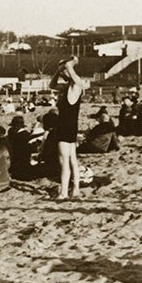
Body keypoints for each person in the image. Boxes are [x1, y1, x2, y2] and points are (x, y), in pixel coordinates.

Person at [50, 56, 85, 199]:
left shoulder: (76, 85)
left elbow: (72, 71)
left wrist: (71, 63)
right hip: (71, 126)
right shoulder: (68, 87)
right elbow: (51, 85)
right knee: (72, 159)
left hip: (65, 127)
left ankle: (64, 192)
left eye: (64, 71)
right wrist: (58, 71)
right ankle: (75, 189)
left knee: (64, 161)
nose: (63, 75)